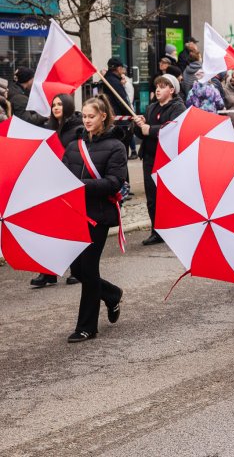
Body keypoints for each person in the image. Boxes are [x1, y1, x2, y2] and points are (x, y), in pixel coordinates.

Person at [61, 95, 126, 343]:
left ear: (103, 117)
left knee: (88, 268)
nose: (87, 120)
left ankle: (87, 326)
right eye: (84, 116)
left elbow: (114, 182)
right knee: (77, 269)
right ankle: (111, 294)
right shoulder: (73, 146)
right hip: (75, 213)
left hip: (98, 215)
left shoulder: (116, 147)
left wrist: (81, 185)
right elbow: (62, 173)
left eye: (91, 116)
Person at [30, 93, 84, 288]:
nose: (56, 107)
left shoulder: (78, 129)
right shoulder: (48, 127)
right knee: (48, 228)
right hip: (49, 182)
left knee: (70, 228)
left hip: (69, 182)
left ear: (68, 105)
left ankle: (77, 270)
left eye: (60, 104)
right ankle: (48, 272)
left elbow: (79, 156)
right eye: (54, 104)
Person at [133, 74, 187, 246]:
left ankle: (173, 228)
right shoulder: (151, 108)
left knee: (168, 196)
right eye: (157, 86)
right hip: (150, 156)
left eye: (163, 86)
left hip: (168, 157)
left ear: (171, 90)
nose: (158, 89)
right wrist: (138, 125)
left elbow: (174, 128)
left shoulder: (178, 107)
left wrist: (151, 130)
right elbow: (142, 133)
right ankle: (156, 231)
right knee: (152, 196)